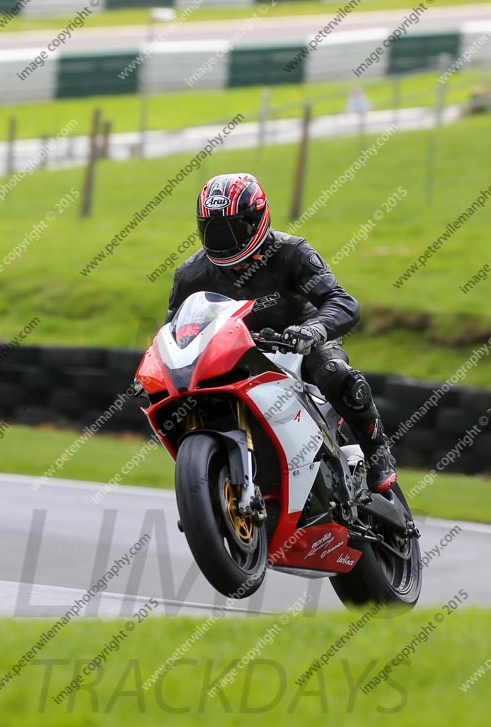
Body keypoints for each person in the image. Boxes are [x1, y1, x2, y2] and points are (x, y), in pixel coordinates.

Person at [164, 172, 396, 493]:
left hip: (299, 342)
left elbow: (342, 303)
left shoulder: (291, 253)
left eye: (233, 229)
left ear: (257, 218)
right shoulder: (192, 274)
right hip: (236, 353)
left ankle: (376, 451)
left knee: (334, 372)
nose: (224, 240)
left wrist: (313, 330)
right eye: (213, 229)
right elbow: (175, 330)